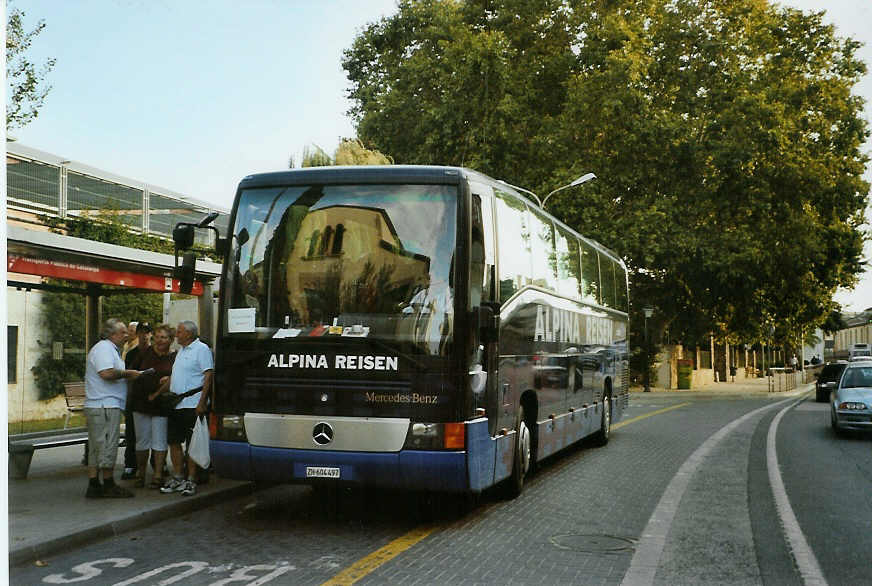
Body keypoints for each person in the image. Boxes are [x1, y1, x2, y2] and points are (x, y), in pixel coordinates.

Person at [83, 318, 141, 498]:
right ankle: (107, 484)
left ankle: (94, 484)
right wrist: (127, 374)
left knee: (97, 445)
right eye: (123, 332)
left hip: (102, 404)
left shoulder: (109, 349)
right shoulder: (104, 349)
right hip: (105, 404)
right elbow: (106, 373)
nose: (126, 335)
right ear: (112, 334)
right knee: (107, 444)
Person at [159, 320, 213, 497]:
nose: (177, 335)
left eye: (180, 332)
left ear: (189, 334)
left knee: (192, 444)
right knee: (174, 442)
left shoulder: (202, 349)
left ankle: (191, 479)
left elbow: (208, 376)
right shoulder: (180, 351)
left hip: (192, 404)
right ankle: (178, 476)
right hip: (176, 404)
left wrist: (202, 402)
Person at [128, 324, 175, 488]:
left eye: (164, 337)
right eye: (158, 336)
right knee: (142, 441)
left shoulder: (175, 357)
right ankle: (141, 473)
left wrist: (169, 379)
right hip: (141, 401)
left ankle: (158, 475)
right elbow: (132, 373)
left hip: (161, 403)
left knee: (160, 440)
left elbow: (177, 377)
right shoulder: (144, 353)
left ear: (171, 340)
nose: (160, 340)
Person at [122, 322, 153, 480]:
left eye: (147, 332)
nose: (144, 335)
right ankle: (130, 465)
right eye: (141, 332)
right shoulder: (131, 354)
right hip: (134, 397)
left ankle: (156, 465)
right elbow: (127, 375)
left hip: (152, 398)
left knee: (154, 433)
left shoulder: (155, 352)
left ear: (150, 334)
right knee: (131, 434)